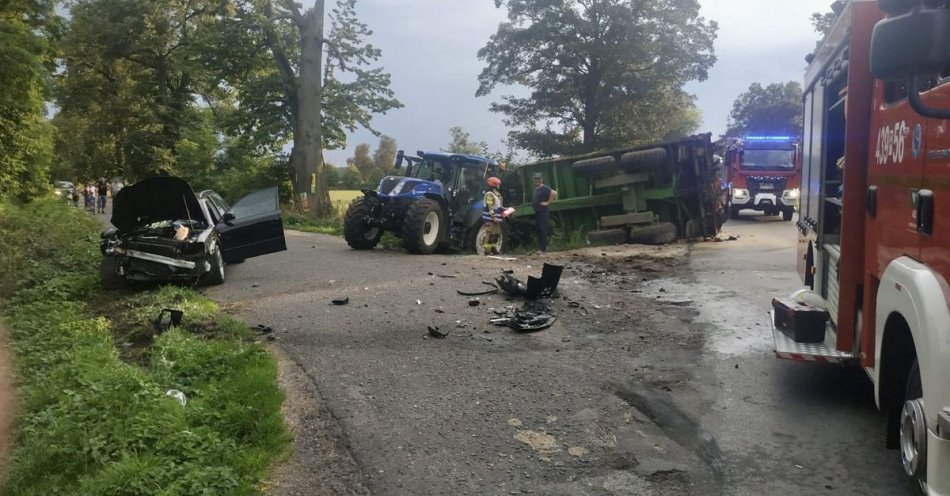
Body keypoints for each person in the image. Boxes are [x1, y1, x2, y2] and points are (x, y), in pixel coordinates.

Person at [532, 173, 557, 254]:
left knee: (543, 229)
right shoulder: (537, 188)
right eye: (536, 179)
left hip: (543, 212)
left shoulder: (544, 187)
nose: (537, 181)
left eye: (538, 179)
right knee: (539, 230)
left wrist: (547, 202)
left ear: (542, 180)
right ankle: (542, 247)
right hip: (537, 212)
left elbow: (554, 193)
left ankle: (543, 249)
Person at [481, 176, 506, 255]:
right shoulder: (489, 194)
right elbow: (490, 206)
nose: (499, 185)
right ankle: (487, 250)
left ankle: (493, 248)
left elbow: (499, 206)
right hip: (490, 219)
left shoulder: (497, 194)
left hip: (496, 219)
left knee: (496, 234)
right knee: (490, 234)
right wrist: (493, 216)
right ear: (494, 185)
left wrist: (505, 209)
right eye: (498, 184)